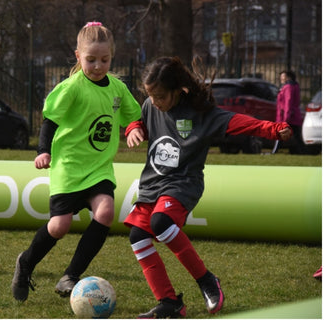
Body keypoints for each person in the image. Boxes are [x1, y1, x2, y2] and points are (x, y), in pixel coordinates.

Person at [125, 56, 293, 318]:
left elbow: (239, 122)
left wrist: (273, 129)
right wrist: (133, 128)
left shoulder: (201, 115)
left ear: (179, 89)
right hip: (152, 184)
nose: (155, 102)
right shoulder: (150, 106)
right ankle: (169, 303)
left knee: (160, 222)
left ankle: (206, 280)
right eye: (151, 96)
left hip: (183, 184)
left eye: (160, 96)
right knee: (137, 237)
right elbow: (141, 122)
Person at [11, 21, 141, 302]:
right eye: (91, 59)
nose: (97, 65)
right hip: (68, 166)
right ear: (78, 55)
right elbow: (49, 120)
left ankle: (71, 276)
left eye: (104, 60)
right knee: (59, 227)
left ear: (112, 57)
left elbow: (133, 114)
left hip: (99, 168)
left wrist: (133, 129)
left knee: (105, 213)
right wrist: (42, 151)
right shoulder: (71, 88)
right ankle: (26, 263)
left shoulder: (117, 88)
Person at [275, 70, 304, 154]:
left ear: (288, 77)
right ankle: (303, 152)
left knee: (280, 134)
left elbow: (288, 102)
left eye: (283, 76)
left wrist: (286, 118)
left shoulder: (288, 87)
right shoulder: (293, 86)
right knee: (296, 136)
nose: (281, 78)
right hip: (293, 116)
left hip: (288, 116)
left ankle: (274, 152)